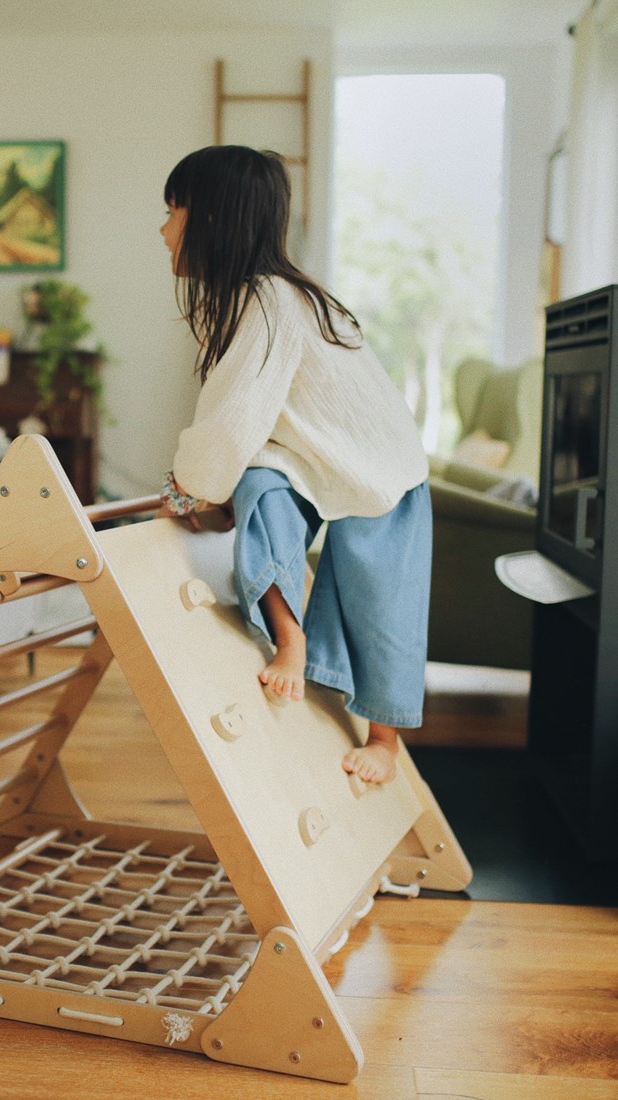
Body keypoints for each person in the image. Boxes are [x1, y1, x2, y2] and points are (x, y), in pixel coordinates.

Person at [157, 146, 431, 784]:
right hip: (312, 463)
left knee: (378, 596)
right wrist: (214, 494)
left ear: (213, 222)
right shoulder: (258, 300)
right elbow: (245, 426)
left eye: (174, 211)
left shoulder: (272, 301)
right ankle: (291, 637)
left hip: (383, 470)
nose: (164, 228)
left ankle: (384, 742)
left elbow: (231, 414)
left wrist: (184, 493)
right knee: (259, 489)